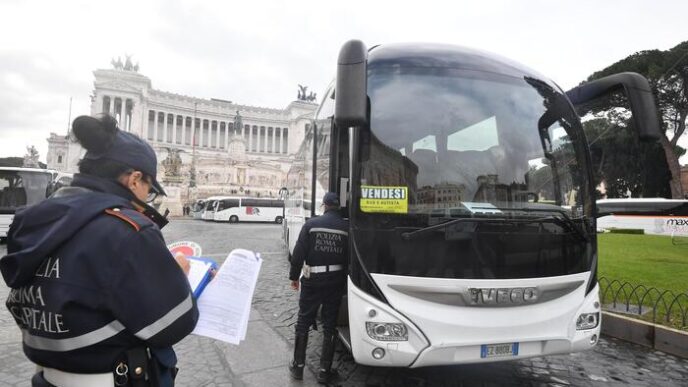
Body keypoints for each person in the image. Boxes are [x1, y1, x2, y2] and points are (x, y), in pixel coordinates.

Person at [0, 114, 198, 387]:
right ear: (134, 179)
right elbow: (174, 324)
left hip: (45, 379)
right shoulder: (129, 231)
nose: (146, 200)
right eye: (149, 191)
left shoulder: (30, 219)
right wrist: (178, 276)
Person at [288, 192, 348, 384]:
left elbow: (298, 253)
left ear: (324, 205)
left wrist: (294, 277)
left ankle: (298, 367)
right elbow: (350, 258)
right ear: (338, 207)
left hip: (312, 278)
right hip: (335, 280)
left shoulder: (311, 224)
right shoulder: (347, 228)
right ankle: (324, 370)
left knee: (304, 320)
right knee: (330, 325)